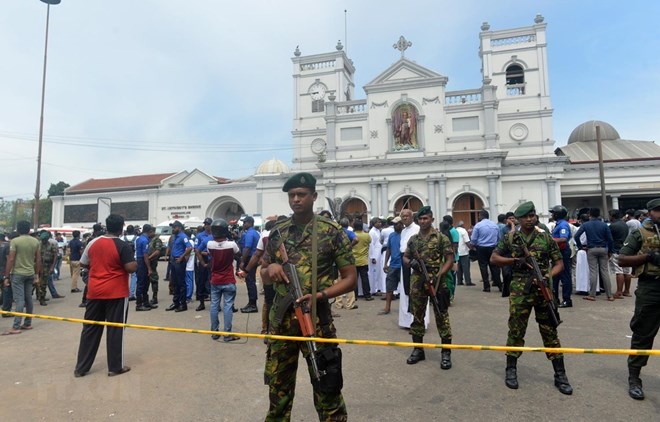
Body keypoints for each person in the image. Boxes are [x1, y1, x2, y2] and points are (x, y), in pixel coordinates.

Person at [261, 172, 356, 421]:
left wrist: (321, 295)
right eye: (291, 195)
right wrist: (269, 269)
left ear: (314, 196)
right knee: (278, 394)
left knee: (328, 391)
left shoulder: (330, 231)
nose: (296, 199)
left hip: (317, 323)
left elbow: (350, 278)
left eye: (301, 195)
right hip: (282, 326)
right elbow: (263, 271)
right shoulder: (277, 233)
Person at [490, 201, 573, 395]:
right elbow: (494, 258)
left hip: (543, 290)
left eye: (532, 215)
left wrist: (548, 276)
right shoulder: (510, 238)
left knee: (550, 331)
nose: (530, 219)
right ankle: (511, 369)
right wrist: (515, 261)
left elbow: (559, 262)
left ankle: (560, 374)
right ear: (518, 219)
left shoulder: (545, 237)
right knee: (516, 330)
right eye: (525, 216)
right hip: (520, 292)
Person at [74, 214, 137, 377]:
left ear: (106, 226)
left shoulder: (93, 242)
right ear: (121, 227)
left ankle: (81, 368)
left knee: (90, 329)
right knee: (115, 329)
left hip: (95, 291)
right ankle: (115, 367)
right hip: (116, 292)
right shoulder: (122, 245)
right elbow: (130, 268)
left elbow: (83, 263)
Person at [402, 206, 455, 369]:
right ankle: (418, 350)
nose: (423, 221)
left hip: (437, 281)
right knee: (417, 315)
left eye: (426, 218)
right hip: (418, 280)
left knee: (441, 315)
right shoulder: (413, 239)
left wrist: (440, 275)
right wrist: (411, 263)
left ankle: (446, 353)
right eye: (421, 219)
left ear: (432, 219)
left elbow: (449, 259)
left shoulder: (440, 238)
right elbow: (405, 256)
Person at [618, 198, 660, 400]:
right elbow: (623, 258)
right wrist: (648, 257)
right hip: (651, 287)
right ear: (650, 212)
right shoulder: (639, 233)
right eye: (658, 211)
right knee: (643, 333)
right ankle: (634, 377)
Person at [206, 219, 240, 342]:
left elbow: (210, 254)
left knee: (214, 305)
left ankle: (214, 332)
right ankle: (227, 333)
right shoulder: (232, 245)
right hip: (228, 279)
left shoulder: (210, 244)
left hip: (215, 280)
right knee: (228, 306)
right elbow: (238, 253)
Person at [3, 222, 41, 334]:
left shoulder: (15, 241)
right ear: (29, 230)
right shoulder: (35, 241)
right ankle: (28, 323)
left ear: (18, 230)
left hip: (18, 274)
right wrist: (36, 275)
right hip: (30, 273)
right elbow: (38, 259)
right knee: (28, 298)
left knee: (19, 300)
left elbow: (10, 259)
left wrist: (6, 276)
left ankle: (16, 326)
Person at [574, 207, 614, 301]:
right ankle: (609, 295)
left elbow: (577, 236)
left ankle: (592, 295)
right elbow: (610, 239)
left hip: (591, 249)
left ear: (590, 214)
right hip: (603, 249)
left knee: (593, 272)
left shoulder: (586, 224)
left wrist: (580, 247)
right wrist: (610, 250)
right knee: (604, 272)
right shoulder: (604, 225)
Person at [470, 209, 502, 292]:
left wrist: (472, 246)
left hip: (481, 248)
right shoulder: (495, 225)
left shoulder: (478, 225)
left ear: (481, 216)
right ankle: (499, 285)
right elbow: (499, 238)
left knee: (483, 266)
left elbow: (473, 239)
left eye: (479, 215)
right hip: (493, 247)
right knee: (494, 267)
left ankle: (486, 286)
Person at [165, 220, 193, 312]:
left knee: (181, 284)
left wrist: (182, 257)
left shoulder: (183, 236)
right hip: (173, 261)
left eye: (174, 227)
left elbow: (189, 248)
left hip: (179, 262)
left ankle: (183, 304)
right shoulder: (175, 237)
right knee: (175, 283)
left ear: (179, 228)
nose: (173, 229)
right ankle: (175, 302)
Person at [550, 205, 573, 308]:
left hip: (563, 252)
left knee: (565, 276)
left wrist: (549, 240)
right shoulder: (558, 224)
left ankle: (567, 299)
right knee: (555, 276)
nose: (552, 215)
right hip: (557, 252)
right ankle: (555, 299)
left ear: (557, 214)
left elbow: (563, 239)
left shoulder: (563, 225)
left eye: (553, 213)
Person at [381, 216, 403, 315]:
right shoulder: (391, 235)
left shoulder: (405, 235)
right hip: (393, 265)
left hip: (403, 266)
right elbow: (388, 249)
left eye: (396, 224)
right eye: (393, 224)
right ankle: (387, 307)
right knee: (389, 287)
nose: (394, 226)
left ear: (401, 224)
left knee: (405, 288)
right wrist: (386, 263)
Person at [608, 209, 632, 299]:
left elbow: (609, 239)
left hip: (616, 249)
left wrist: (609, 250)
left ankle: (619, 292)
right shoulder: (625, 224)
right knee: (627, 272)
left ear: (612, 216)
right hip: (626, 249)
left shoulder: (612, 226)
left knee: (619, 271)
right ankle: (627, 291)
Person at [36, 230, 64, 306]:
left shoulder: (51, 245)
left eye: (45, 239)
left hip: (47, 266)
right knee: (35, 283)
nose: (44, 240)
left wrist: (52, 267)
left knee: (44, 283)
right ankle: (37, 296)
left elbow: (55, 256)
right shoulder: (38, 245)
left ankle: (42, 298)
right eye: (43, 239)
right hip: (38, 266)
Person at [239, 216, 260, 313]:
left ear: (250, 223)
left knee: (250, 281)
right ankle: (251, 302)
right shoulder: (254, 232)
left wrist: (242, 261)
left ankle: (252, 304)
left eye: (244, 222)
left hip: (250, 258)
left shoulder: (250, 234)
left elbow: (247, 248)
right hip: (253, 258)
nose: (243, 224)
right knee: (250, 280)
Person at [194, 218, 214, 311]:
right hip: (203, 258)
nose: (206, 225)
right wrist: (203, 256)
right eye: (205, 224)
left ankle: (214, 303)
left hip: (212, 259)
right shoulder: (200, 236)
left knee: (212, 282)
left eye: (208, 224)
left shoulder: (215, 235)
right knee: (201, 281)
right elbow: (196, 249)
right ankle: (201, 303)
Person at [135, 224, 156, 311]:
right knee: (141, 283)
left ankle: (146, 302)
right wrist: (149, 268)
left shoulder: (139, 238)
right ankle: (139, 304)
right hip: (142, 262)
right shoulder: (145, 241)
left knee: (145, 282)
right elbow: (145, 255)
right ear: (149, 231)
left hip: (139, 261)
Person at [352, 221, 373, 301]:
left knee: (354, 279)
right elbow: (370, 242)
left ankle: (355, 296)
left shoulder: (352, 235)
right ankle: (367, 295)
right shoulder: (367, 235)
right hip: (364, 260)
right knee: (365, 278)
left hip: (354, 260)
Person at [146, 225, 162, 305]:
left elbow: (157, 251)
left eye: (150, 232)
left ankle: (154, 297)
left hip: (152, 262)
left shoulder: (157, 240)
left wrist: (149, 258)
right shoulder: (148, 239)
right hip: (147, 262)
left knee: (154, 279)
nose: (148, 234)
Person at [121, 225, 138, 301]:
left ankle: (123, 292)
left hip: (123, 258)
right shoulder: (137, 239)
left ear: (126, 231)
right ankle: (131, 293)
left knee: (124, 275)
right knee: (134, 276)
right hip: (134, 258)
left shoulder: (122, 239)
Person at [368, 217, 384, 296]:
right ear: (374, 223)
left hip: (379, 254)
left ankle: (378, 288)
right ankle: (373, 289)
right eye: (378, 222)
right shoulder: (372, 232)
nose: (380, 224)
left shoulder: (378, 231)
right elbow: (371, 245)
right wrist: (372, 257)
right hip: (374, 255)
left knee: (378, 272)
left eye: (380, 222)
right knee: (373, 273)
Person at [455, 221, 473, 286]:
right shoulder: (463, 231)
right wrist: (471, 248)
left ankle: (459, 281)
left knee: (458, 268)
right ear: (463, 225)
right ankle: (468, 281)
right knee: (466, 267)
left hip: (457, 251)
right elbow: (467, 241)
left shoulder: (455, 230)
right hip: (464, 252)